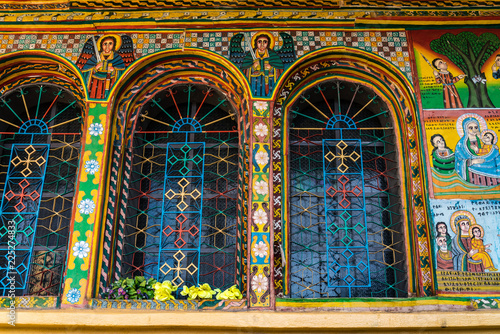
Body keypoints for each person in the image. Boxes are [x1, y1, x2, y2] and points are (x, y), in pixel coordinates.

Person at [454, 117, 486, 183]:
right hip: (471, 167)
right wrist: (472, 162)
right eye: (471, 128)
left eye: (476, 127)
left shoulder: (482, 140)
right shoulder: (461, 143)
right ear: (466, 129)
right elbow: (458, 160)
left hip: (485, 162)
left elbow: (488, 151)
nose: (474, 130)